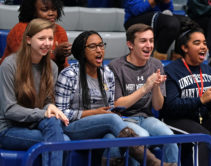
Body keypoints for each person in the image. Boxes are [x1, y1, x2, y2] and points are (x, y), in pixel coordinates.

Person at [55, 30, 166, 166]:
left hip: (101, 125)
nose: (99, 50)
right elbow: (61, 113)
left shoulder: (107, 73)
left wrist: (112, 111)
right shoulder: (69, 75)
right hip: (72, 127)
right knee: (112, 119)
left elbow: (109, 106)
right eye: (93, 46)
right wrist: (94, 113)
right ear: (82, 51)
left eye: (101, 45)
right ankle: (151, 162)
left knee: (112, 138)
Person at [0, 18, 69, 166]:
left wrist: (50, 107)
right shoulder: (9, 65)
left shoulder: (52, 67)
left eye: (50, 38)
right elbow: (9, 110)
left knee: (53, 122)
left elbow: (48, 102)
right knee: (63, 141)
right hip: (8, 129)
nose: (47, 43)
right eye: (41, 38)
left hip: (34, 124)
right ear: (29, 40)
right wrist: (44, 112)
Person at [108, 23, 178, 165]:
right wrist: (146, 87)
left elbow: (158, 106)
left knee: (169, 137)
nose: (149, 45)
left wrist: (156, 87)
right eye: (143, 41)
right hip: (124, 119)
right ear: (130, 44)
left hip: (146, 117)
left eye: (151, 40)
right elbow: (117, 104)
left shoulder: (156, 64)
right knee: (142, 137)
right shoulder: (115, 66)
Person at [161, 26, 211, 166]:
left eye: (204, 43)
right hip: (175, 120)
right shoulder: (171, 70)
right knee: (202, 138)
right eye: (197, 43)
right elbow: (170, 106)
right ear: (185, 48)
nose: (203, 47)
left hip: (201, 118)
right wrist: (201, 99)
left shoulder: (208, 69)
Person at [1, 0, 71, 72]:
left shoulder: (60, 31)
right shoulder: (21, 29)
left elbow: (63, 69)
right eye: (44, 10)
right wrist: (55, 54)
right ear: (33, 11)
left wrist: (61, 58)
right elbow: (26, 64)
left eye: (54, 9)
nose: (51, 13)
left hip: (49, 78)